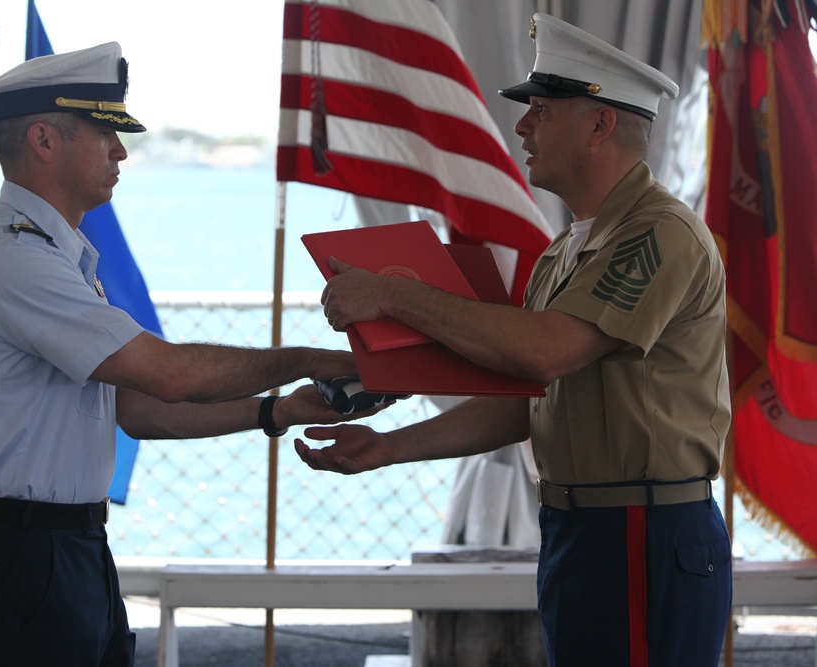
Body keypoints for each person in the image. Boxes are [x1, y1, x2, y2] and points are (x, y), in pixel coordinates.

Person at [295, 13, 732, 667]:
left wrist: (393, 294)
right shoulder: (566, 251)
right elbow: (524, 399)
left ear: (600, 122)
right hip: (578, 531)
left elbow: (545, 349)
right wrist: (388, 447)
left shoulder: (658, 232)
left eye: (543, 109)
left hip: (643, 531)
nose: (523, 127)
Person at [0, 42, 377, 666]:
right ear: (43, 140)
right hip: (22, 557)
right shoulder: (15, 260)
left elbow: (140, 410)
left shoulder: (53, 256)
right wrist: (307, 357)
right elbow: (169, 376)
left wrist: (280, 411)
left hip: (66, 549)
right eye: (104, 131)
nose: (121, 150)